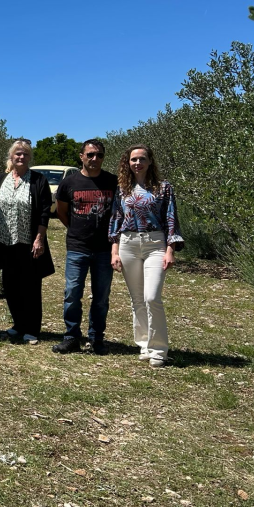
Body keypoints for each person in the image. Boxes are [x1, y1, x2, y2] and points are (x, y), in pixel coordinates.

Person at [109, 144, 184, 368]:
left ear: (150, 161)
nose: (138, 163)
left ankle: (159, 349)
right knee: (137, 300)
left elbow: (171, 218)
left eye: (142, 159)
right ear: (128, 163)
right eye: (133, 160)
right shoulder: (123, 188)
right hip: (128, 243)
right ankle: (144, 344)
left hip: (155, 243)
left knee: (152, 298)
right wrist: (114, 250)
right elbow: (116, 218)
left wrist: (170, 249)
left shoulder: (164, 188)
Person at [53, 139, 118, 355]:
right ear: (81, 156)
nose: (94, 159)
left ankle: (96, 339)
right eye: (90, 154)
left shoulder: (113, 182)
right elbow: (62, 211)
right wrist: (75, 228)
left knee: (101, 297)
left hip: (104, 249)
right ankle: (71, 337)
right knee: (72, 293)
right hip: (77, 247)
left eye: (99, 155)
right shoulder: (69, 183)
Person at [0, 140, 54, 344]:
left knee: (31, 286)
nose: (21, 157)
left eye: (25, 154)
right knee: (9, 285)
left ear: (30, 157)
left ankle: (32, 329)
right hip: (4, 242)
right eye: (18, 154)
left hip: (28, 242)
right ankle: (18, 324)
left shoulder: (38, 180)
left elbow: (44, 212)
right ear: (11, 156)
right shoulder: (0, 179)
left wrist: (39, 238)